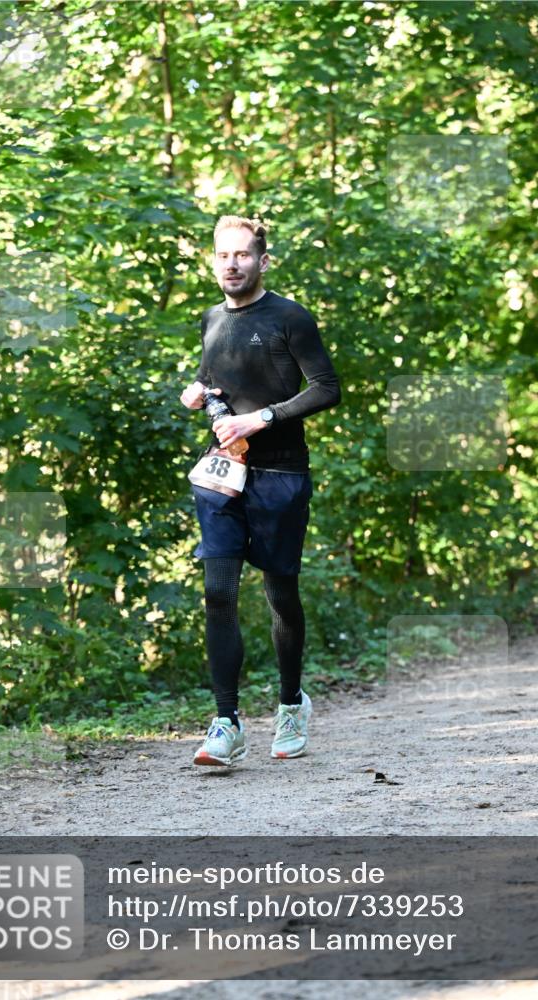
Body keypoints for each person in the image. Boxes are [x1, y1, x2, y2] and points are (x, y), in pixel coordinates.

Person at [179, 215, 341, 767]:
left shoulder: (290, 317)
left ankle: (291, 703)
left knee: (279, 595)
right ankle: (226, 723)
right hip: (223, 474)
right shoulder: (210, 319)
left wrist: (263, 418)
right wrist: (198, 391)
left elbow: (327, 388)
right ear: (213, 261)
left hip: (281, 475)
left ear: (263, 261)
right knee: (218, 593)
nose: (232, 264)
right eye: (223, 255)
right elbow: (216, 381)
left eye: (243, 255)